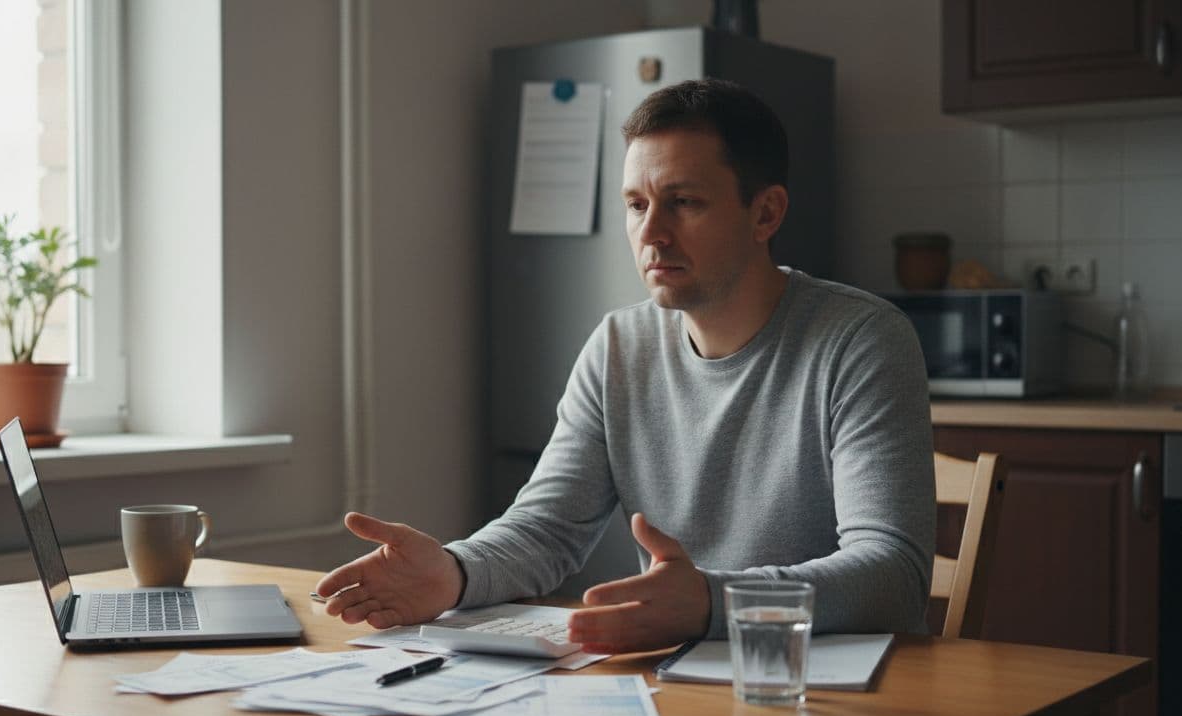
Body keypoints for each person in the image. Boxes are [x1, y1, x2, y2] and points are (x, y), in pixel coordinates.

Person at [315, 78, 935, 654]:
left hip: (823, 688)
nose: (652, 234)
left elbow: (891, 573)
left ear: (766, 213)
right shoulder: (619, 345)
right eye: (637, 205)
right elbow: (546, 529)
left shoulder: (862, 340)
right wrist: (455, 572)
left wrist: (710, 602)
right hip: (676, 682)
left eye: (683, 202)